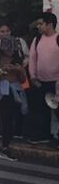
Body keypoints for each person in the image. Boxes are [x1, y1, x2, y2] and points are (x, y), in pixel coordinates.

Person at [0, 23, 28, 161]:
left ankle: (5, 147)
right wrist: (2, 71)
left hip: (14, 91)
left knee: (11, 119)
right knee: (1, 119)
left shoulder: (17, 59)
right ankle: (1, 147)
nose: (9, 52)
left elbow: (23, 78)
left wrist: (18, 70)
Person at [29, 12, 59, 145]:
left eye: (41, 24)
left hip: (57, 82)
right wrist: (33, 76)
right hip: (40, 82)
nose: (38, 27)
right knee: (41, 110)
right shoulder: (37, 39)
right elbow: (32, 58)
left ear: (50, 24)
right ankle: (43, 135)